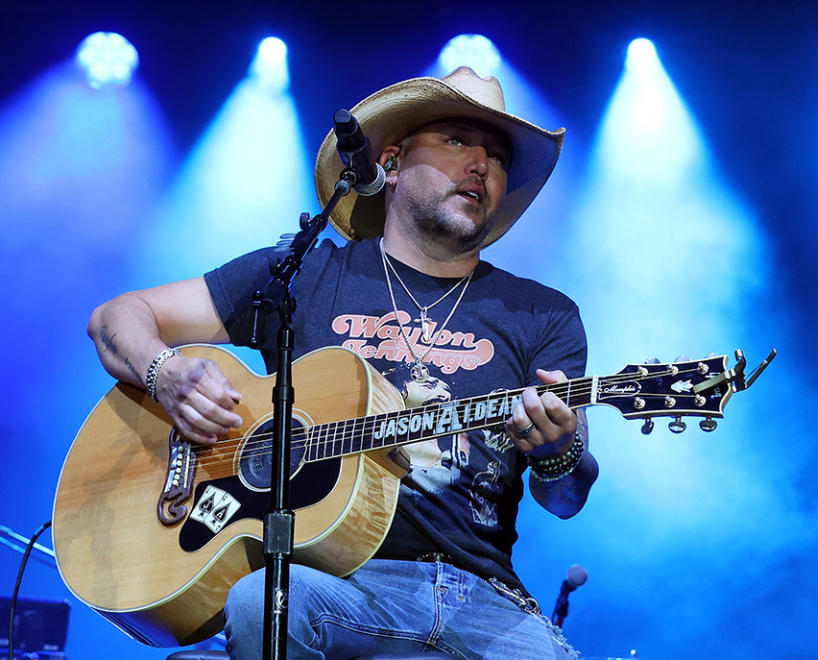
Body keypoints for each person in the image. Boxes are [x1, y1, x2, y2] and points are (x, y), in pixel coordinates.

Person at [88, 66, 599, 659]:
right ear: (389, 163)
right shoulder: (307, 274)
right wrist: (164, 373)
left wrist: (556, 450)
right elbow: (116, 318)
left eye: (497, 156)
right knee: (261, 602)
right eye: (459, 140)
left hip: (475, 596)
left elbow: (566, 499)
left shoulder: (542, 314)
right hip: (326, 581)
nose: (482, 164)